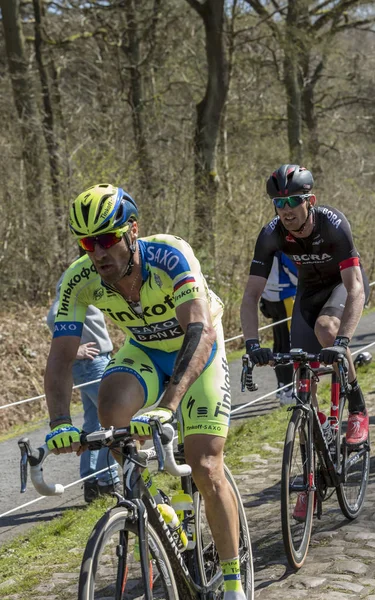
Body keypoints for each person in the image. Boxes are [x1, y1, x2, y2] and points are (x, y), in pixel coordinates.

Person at [44, 183, 246, 600]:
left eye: (106, 239)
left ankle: (233, 582)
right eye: (87, 242)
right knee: (111, 407)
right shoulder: (79, 279)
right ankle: (154, 505)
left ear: (132, 230)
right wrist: (59, 423)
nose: (97, 252)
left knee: (205, 464)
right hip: (147, 350)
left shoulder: (170, 255)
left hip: (199, 349)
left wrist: (170, 405)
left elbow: (199, 329)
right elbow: (61, 357)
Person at [240, 164, 369, 446]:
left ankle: (358, 409)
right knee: (301, 367)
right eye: (279, 203)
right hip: (309, 291)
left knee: (327, 329)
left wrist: (342, 341)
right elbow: (251, 295)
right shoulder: (271, 233)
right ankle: (317, 451)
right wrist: (251, 345)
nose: (286, 209)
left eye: (293, 201)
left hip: (343, 285)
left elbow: (356, 287)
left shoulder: (332, 223)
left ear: (309, 201)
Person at [46, 263, 120, 503]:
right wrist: (73, 350)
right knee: (114, 418)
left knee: (93, 421)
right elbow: (54, 315)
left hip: (94, 360)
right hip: (91, 362)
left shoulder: (94, 282)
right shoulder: (76, 281)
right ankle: (108, 480)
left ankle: (91, 481)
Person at [259, 251, 297, 405]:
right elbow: (298, 274)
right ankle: (288, 390)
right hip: (285, 298)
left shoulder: (264, 246)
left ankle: (282, 386)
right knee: (288, 345)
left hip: (269, 299)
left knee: (279, 345)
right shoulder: (284, 249)